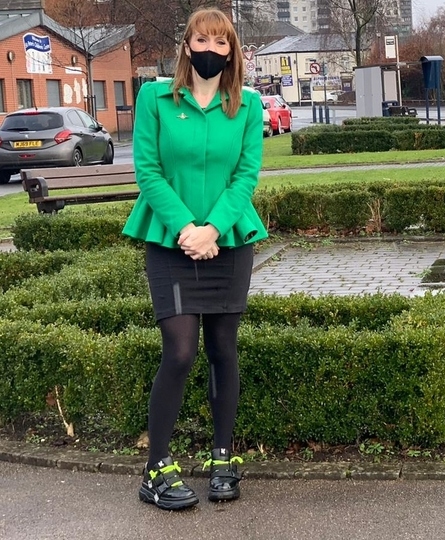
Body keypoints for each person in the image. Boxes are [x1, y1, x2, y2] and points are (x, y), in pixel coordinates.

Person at [122, 7, 268, 511]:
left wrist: (214, 229)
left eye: (221, 42)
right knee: (180, 351)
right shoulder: (155, 98)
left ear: (233, 52)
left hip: (228, 242)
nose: (211, 50)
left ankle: (222, 458)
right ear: (186, 46)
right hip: (170, 243)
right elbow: (148, 169)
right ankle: (156, 469)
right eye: (202, 40)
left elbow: (246, 176)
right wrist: (188, 228)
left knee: (223, 349)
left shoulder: (248, 105)